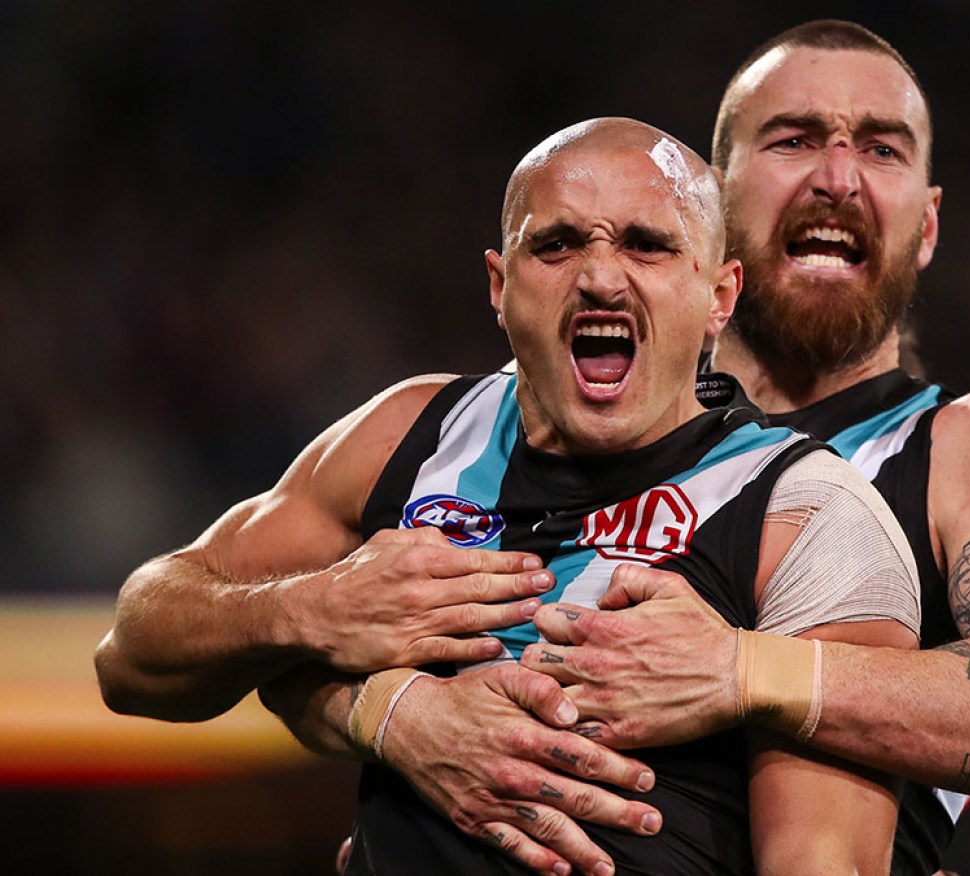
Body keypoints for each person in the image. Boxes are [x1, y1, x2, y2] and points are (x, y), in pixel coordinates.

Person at [98, 117, 925, 876]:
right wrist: (322, 625)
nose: (601, 277)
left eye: (647, 245)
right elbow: (133, 652)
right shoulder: (413, 432)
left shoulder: (806, 515)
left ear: (720, 297)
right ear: (499, 285)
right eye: (557, 245)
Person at [514, 20, 970, 876]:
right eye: (793, 140)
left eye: (881, 149)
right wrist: (385, 713)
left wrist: (741, 668)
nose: (836, 178)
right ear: (707, 207)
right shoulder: (562, 414)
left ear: (928, 224)